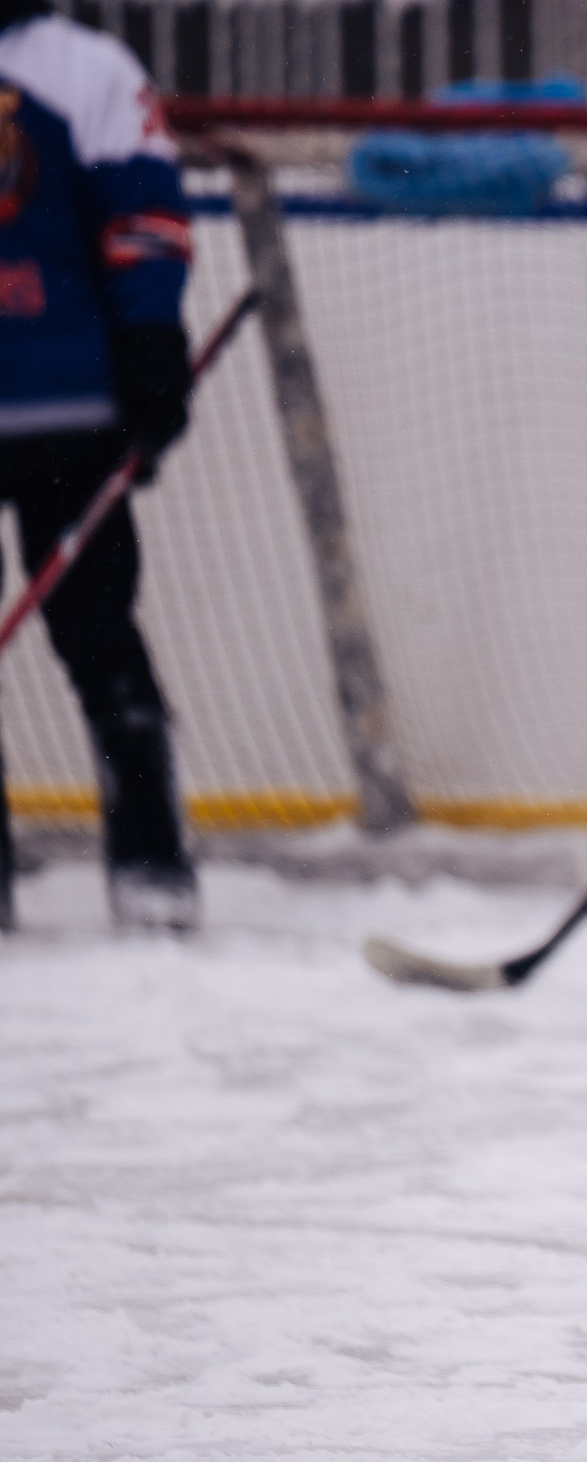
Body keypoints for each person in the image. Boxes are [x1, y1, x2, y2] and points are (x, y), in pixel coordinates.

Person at [0, 0, 197, 933]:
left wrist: (151, 345)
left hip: (65, 413)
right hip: (66, 408)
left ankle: (152, 863)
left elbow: (145, 208)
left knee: (97, 634)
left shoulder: (85, 67)